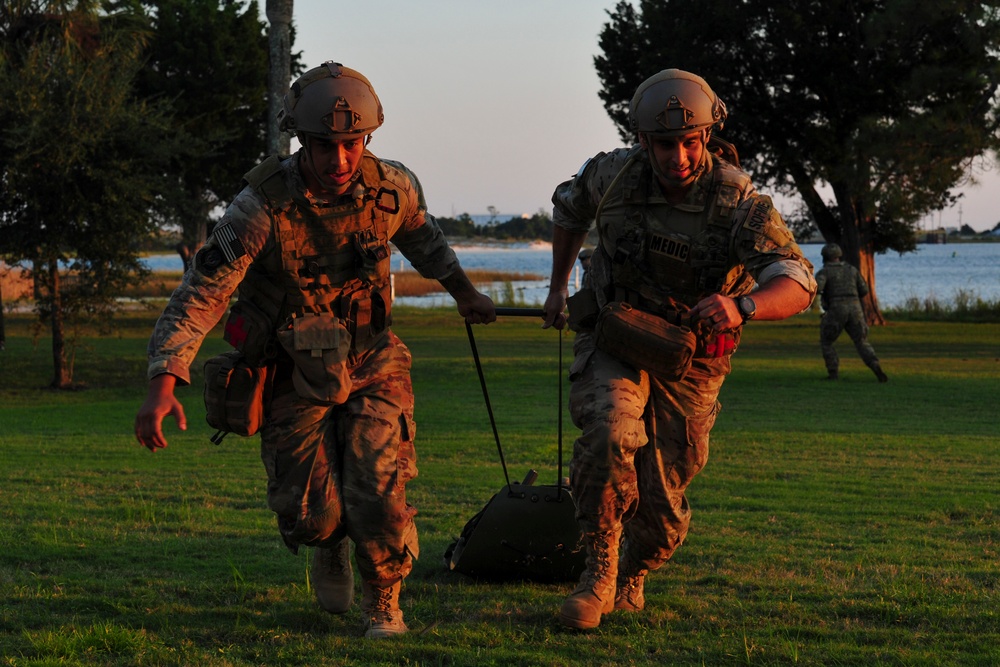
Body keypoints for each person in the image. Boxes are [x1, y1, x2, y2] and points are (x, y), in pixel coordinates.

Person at [134, 61, 496, 639]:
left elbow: (425, 240)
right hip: (287, 365)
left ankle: (384, 599)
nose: (341, 160)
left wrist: (466, 293)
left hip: (372, 356)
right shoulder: (259, 209)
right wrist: (163, 382)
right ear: (302, 140)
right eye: (325, 146)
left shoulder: (392, 188)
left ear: (368, 138)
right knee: (308, 514)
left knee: (378, 488)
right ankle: (330, 545)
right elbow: (201, 293)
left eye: (352, 144)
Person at [541, 69, 817, 630]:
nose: (680, 156)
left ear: (708, 136)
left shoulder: (737, 199)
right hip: (615, 332)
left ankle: (633, 569)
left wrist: (744, 307)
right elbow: (569, 210)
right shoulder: (611, 175)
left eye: (692, 142)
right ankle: (597, 573)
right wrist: (556, 285)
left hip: (692, 356)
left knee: (664, 508)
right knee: (610, 430)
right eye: (665, 143)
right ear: (643, 139)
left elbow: (798, 278)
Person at [815, 242, 888, 382]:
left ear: (824, 257)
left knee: (827, 341)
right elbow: (864, 290)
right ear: (839, 255)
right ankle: (876, 367)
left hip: (836, 308)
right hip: (855, 308)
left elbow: (817, 288)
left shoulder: (824, 272)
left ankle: (833, 373)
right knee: (861, 341)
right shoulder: (852, 270)